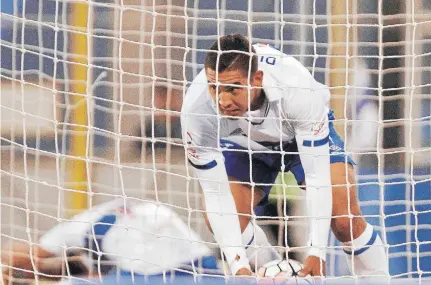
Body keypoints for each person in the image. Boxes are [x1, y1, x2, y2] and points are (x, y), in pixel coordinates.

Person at [180, 34, 389, 277]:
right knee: (229, 221)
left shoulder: (296, 89)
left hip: (297, 136)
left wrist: (316, 253)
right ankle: (272, 272)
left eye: (233, 88)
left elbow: (317, 176)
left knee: (344, 220)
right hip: (242, 144)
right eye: (214, 87)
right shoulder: (196, 112)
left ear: (257, 79)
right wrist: (239, 267)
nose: (222, 100)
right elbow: (216, 194)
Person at [1, 199, 219, 284]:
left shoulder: (75, 229)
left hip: (157, 272)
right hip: (202, 264)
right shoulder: (98, 218)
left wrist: (6, 266)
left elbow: (31, 254)